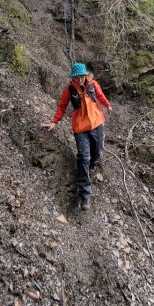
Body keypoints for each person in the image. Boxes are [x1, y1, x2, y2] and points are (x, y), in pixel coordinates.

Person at [41, 63, 112, 211]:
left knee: (96, 153)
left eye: (82, 77)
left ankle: (89, 169)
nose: (80, 80)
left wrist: (107, 105)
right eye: (77, 78)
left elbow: (100, 96)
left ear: (85, 75)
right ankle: (85, 195)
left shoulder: (92, 84)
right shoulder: (69, 89)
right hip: (80, 127)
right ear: (73, 77)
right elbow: (62, 106)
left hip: (96, 123)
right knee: (83, 157)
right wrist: (54, 121)